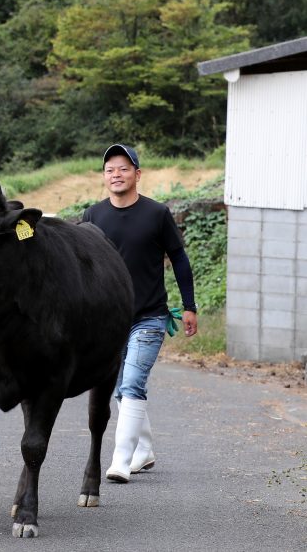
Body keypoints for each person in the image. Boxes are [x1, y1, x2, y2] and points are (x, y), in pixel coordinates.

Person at [82, 143, 198, 483]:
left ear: (137, 174)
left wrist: (189, 306)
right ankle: (143, 450)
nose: (116, 175)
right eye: (109, 170)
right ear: (104, 177)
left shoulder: (156, 214)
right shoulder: (92, 216)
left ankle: (120, 460)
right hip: (109, 321)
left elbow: (178, 258)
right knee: (119, 388)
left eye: (123, 168)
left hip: (149, 316)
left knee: (132, 384)